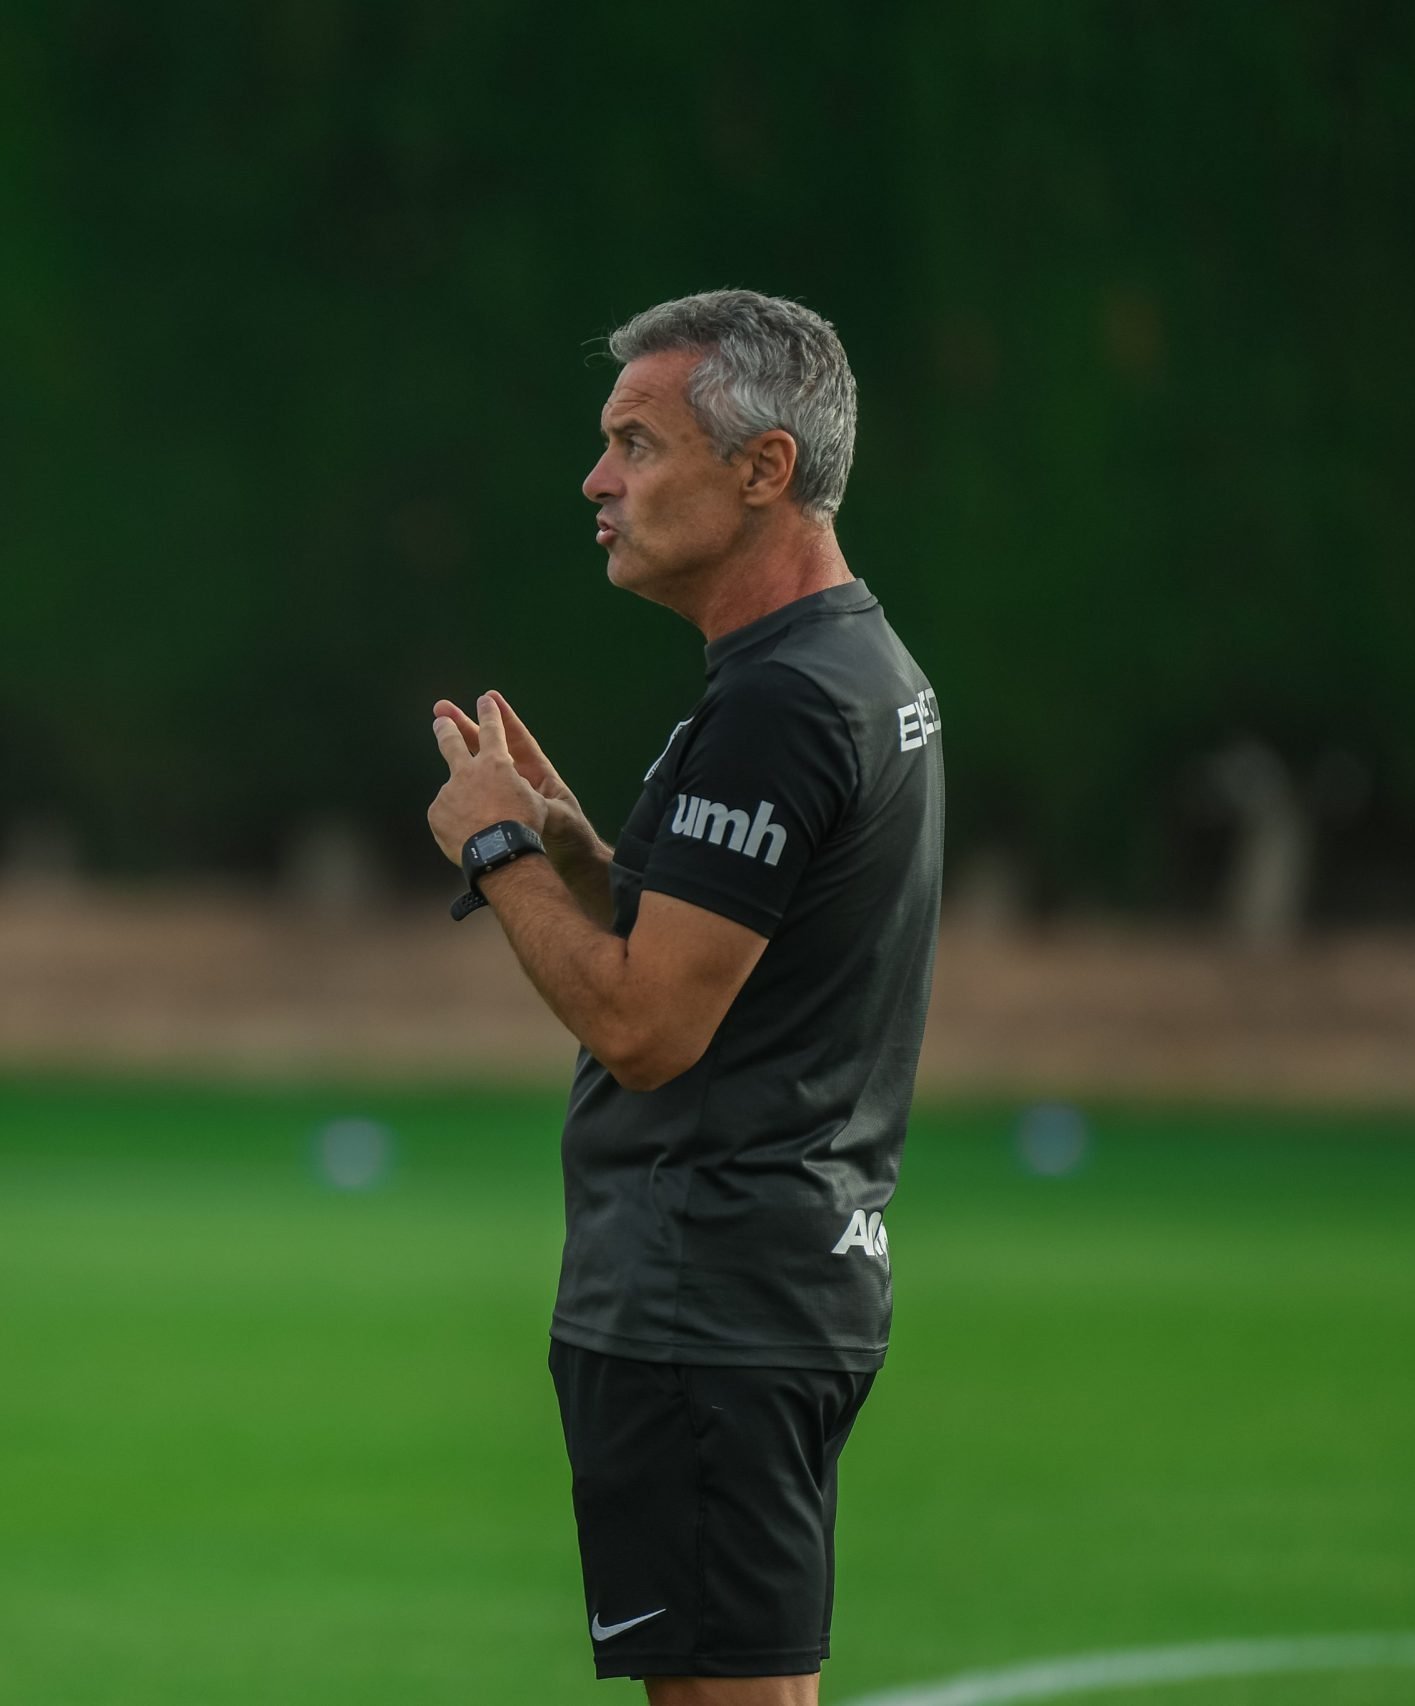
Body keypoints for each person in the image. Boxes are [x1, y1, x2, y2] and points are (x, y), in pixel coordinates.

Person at [425, 290, 943, 1703]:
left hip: (703, 1296)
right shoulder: (852, 663)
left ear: (763, 469)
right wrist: (583, 854)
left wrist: (494, 849)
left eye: (637, 444)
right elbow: (735, 955)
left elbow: (648, 1026)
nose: (599, 481)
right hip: (781, 1283)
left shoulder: (780, 705)